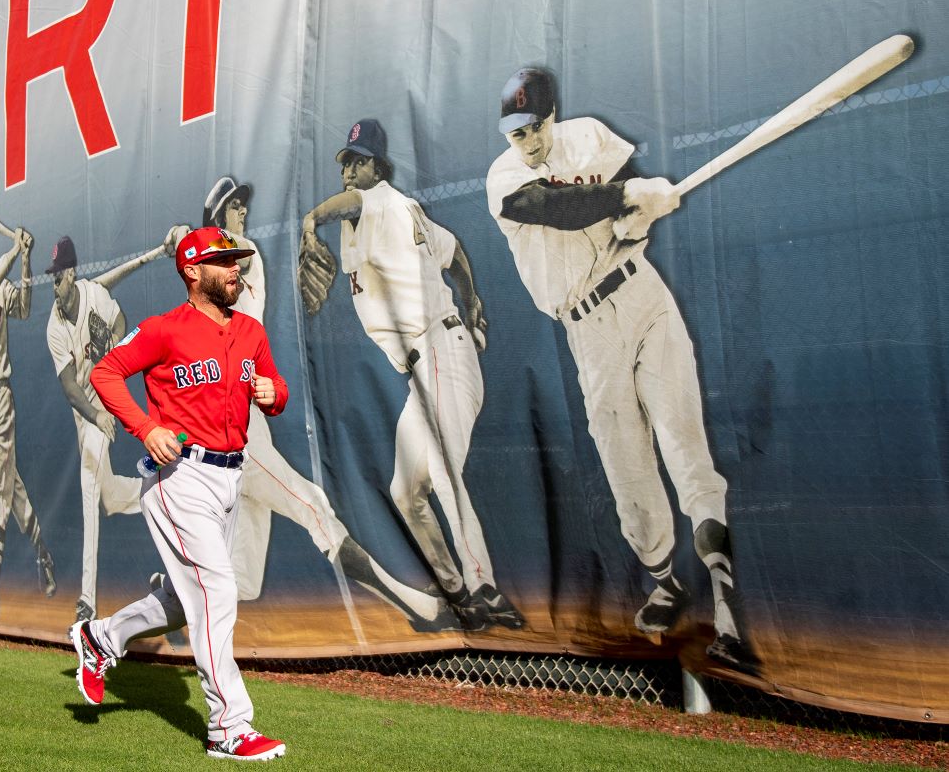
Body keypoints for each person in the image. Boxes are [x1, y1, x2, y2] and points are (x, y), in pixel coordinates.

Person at [485, 67, 759, 674]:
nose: (526, 141)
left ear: (552, 117)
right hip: (586, 328)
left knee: (683, 440)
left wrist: (645, 204)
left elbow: (633, 189)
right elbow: (550, 206)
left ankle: (727, 605)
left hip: (642, 295)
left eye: (533, 128)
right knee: (628, 471)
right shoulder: (504, 176)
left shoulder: (589, 136)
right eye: (515, 132)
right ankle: (666, 581)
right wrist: (626, 198)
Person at [71, 227, 290, 761]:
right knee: (216, 590)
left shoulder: (250, 333)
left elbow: (276, 390)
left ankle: (101, 638)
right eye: (223, 261)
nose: (235, 268)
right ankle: (228, 727)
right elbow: (105, 372)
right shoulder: (164, 330)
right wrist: (146, 428)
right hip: (179, 478)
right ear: (193, 271)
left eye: (237, 260)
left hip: (230, 477)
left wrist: (272, 393)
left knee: (182, 598)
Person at [207, 175, 460, 632]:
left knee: (242, 583)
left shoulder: (243, 258)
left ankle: (148, 610)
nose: (242, 210)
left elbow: (230, 259)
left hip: (244, 422)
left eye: (243, 204)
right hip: (232, 436)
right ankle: (416, 607)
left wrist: (191, 240)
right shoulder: (204, 280)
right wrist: (190, 240)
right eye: (232, 205)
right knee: (315, 508)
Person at [301, 120, 522, 631]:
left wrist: (311, 222)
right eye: (345, 163)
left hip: (442, 350)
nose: (349, 171)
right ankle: (458, 590)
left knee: (441, 472)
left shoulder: (379, 199)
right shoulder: (405, 214)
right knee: (406, 492)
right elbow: (455, 252)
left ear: (378, 167)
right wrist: (474, 300)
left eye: (357, 160)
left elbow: (348, 205)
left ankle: (485, 587)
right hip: (427, 365)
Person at [44, 230, 185, 623]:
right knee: (107, 496)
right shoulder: (54, 327)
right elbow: (71, 389)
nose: (53, 283)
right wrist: (98, 415)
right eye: (51, 276)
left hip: (103, 393)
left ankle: (87, 600)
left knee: (89, 489)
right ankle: (157, 495)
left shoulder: (94, 295)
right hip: (86, 410)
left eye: (58, 275)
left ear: (71, 274)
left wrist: (115, 352)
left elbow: (120, 320)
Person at [0, 222, 54, 622]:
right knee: (11, 484)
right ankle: (44, 557)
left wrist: (26, 259)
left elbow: (23, 306)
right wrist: (16, 249)